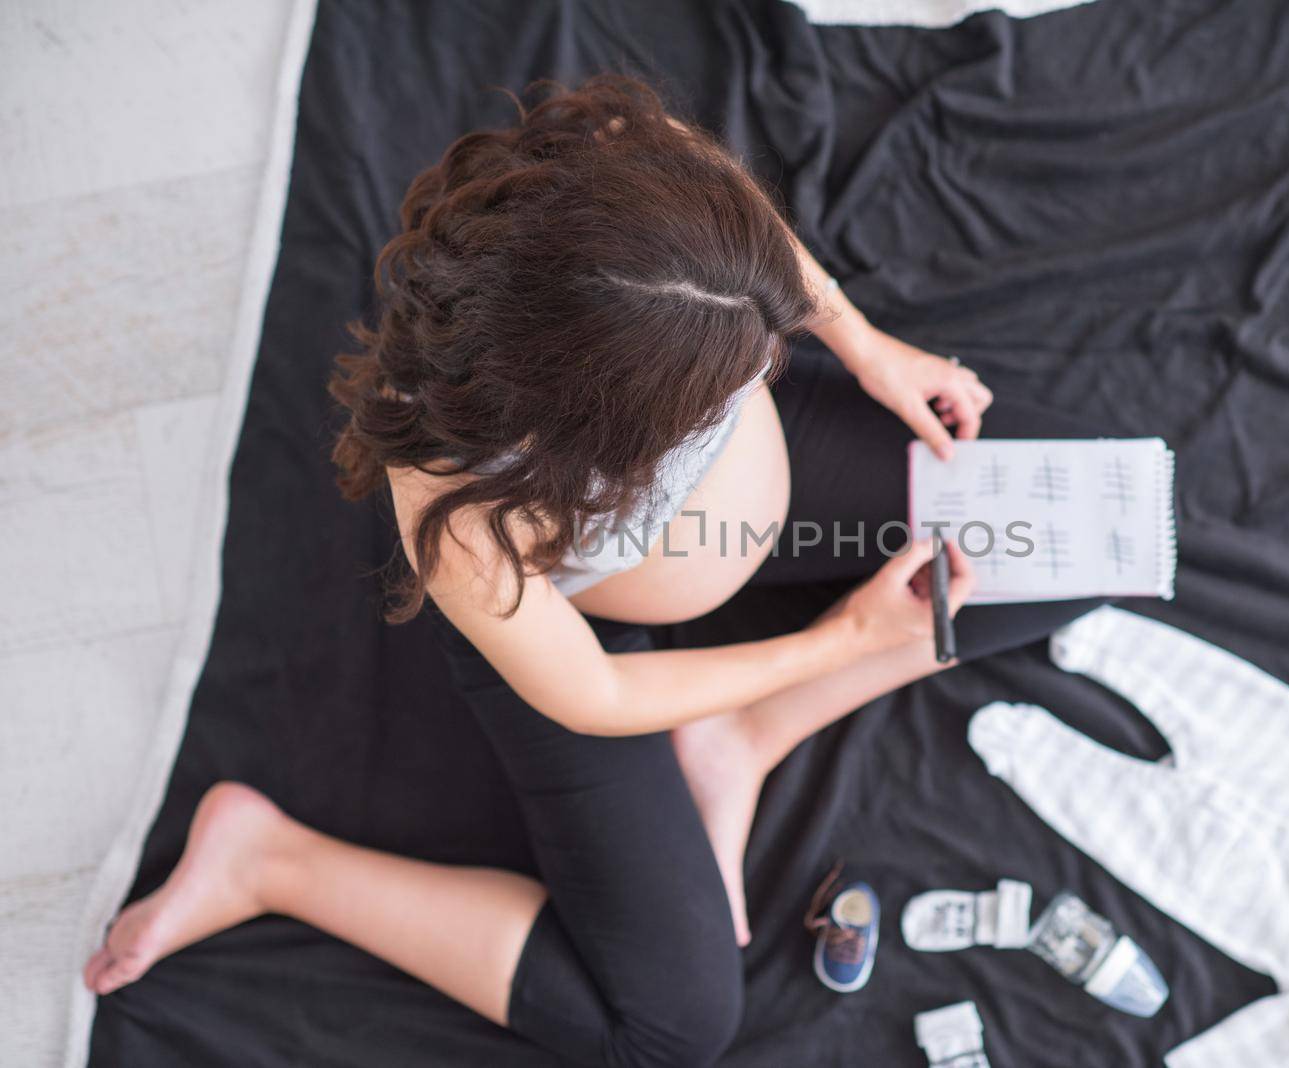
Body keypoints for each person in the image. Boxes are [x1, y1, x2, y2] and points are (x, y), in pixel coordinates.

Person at [82, 74, 1080, 1067]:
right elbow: (595, 692)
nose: (762, 372)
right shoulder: (456, 510)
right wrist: (840, 642)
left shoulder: (620, 187)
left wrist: (863, 348)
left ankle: (741, 741)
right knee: (669, 1029)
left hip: (759, 508)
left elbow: (731, 222)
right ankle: (271, 863)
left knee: (1074, 524)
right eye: (719, 393)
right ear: (588, 438)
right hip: (588, 633)